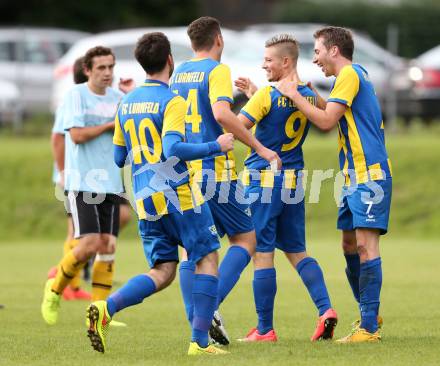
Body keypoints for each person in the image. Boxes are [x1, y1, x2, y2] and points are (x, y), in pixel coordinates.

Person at [86, 32, 234, 356]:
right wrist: (216, 145)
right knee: (208, 256)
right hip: (177, 192)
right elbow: (172, 149)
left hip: (145, 197)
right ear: (170, 60)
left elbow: (118, 158)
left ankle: (107, 308)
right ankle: (200, 343)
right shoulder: (172, 101)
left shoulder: (126, 103)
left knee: (163, 270)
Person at [170, 16, 281, 345]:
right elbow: (220, 113)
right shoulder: (217, 70)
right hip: (215, 170)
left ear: (192, 43)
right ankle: (208, 310)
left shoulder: (179, 73)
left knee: (194, 252)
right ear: (218, 38)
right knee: (246, 240)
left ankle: (198, 321)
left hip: (185, 170)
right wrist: (260, 146)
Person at [277, 26, 392, 343]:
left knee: (367, 247)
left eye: (316, 51)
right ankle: (370, 312)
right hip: (352, 177)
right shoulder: (352, 76)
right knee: (350, 246)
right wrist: (312, 95)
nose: (314, 59)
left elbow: (326, 122)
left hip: (370, 175)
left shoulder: (350, 75)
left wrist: (297, 96)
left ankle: (368, 327)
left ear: (334, 50)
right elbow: (333, 111)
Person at [233, 34, 337, 342]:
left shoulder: (268, 94)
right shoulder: (307, 93)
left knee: (262, 253)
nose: (263, 65)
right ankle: (326, 310)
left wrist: (254, 99)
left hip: (264, 180)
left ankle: (264, 329)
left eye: (268, 60)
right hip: (294, 179)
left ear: (286, 61)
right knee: (297, 251)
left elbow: (239, 126)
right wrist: (255, 93)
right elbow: (316, 112)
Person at [41, 46, 131, 326]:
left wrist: (130, 100)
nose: (107, 73)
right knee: (89, 243)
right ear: (88, 70)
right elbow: (77, 136)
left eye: (110, 67)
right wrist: (109, 124)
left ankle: (98, 314)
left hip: (112, 183)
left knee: (108, 246)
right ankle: (54, 288)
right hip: (83, 182)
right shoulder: (76, 96)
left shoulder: (119, 98)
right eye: (101, 68)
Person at [48, 56, 92, 301]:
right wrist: (64, 172)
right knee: (75, 232)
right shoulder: (73, 101)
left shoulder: (87, 100)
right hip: (73, 176)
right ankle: (65, 281)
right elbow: (57, 138)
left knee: (81, 233)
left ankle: (67, 279)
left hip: (89, 176)